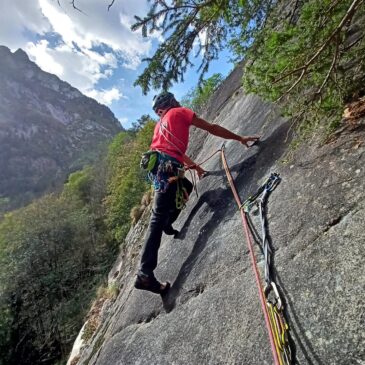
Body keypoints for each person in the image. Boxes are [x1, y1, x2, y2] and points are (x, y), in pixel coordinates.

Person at [134, 92, 260, 295]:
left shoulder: (160, 126)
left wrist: (196, 168)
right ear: (172, 103)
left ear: (160, 110)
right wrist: (239, 138)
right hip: (169, 168)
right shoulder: (179, 112)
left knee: (185, 187)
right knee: (157, 218)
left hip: (160, 169)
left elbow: (176, 151)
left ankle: (168, 222)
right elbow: (211, 128)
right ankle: (145, 273)